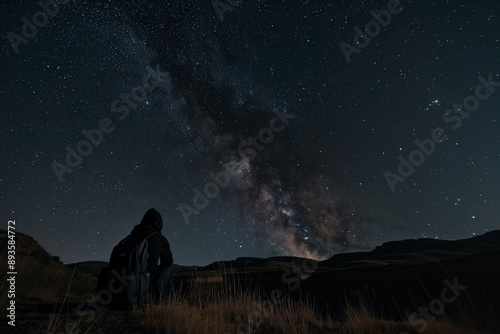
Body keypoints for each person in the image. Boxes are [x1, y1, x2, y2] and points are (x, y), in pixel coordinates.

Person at [130, 208, 174, 301]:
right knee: (169, 268)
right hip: (143, 287)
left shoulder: (131, 236)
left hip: (120, 289)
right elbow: (168, 262)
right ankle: (163, 302)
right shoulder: (159, 239)